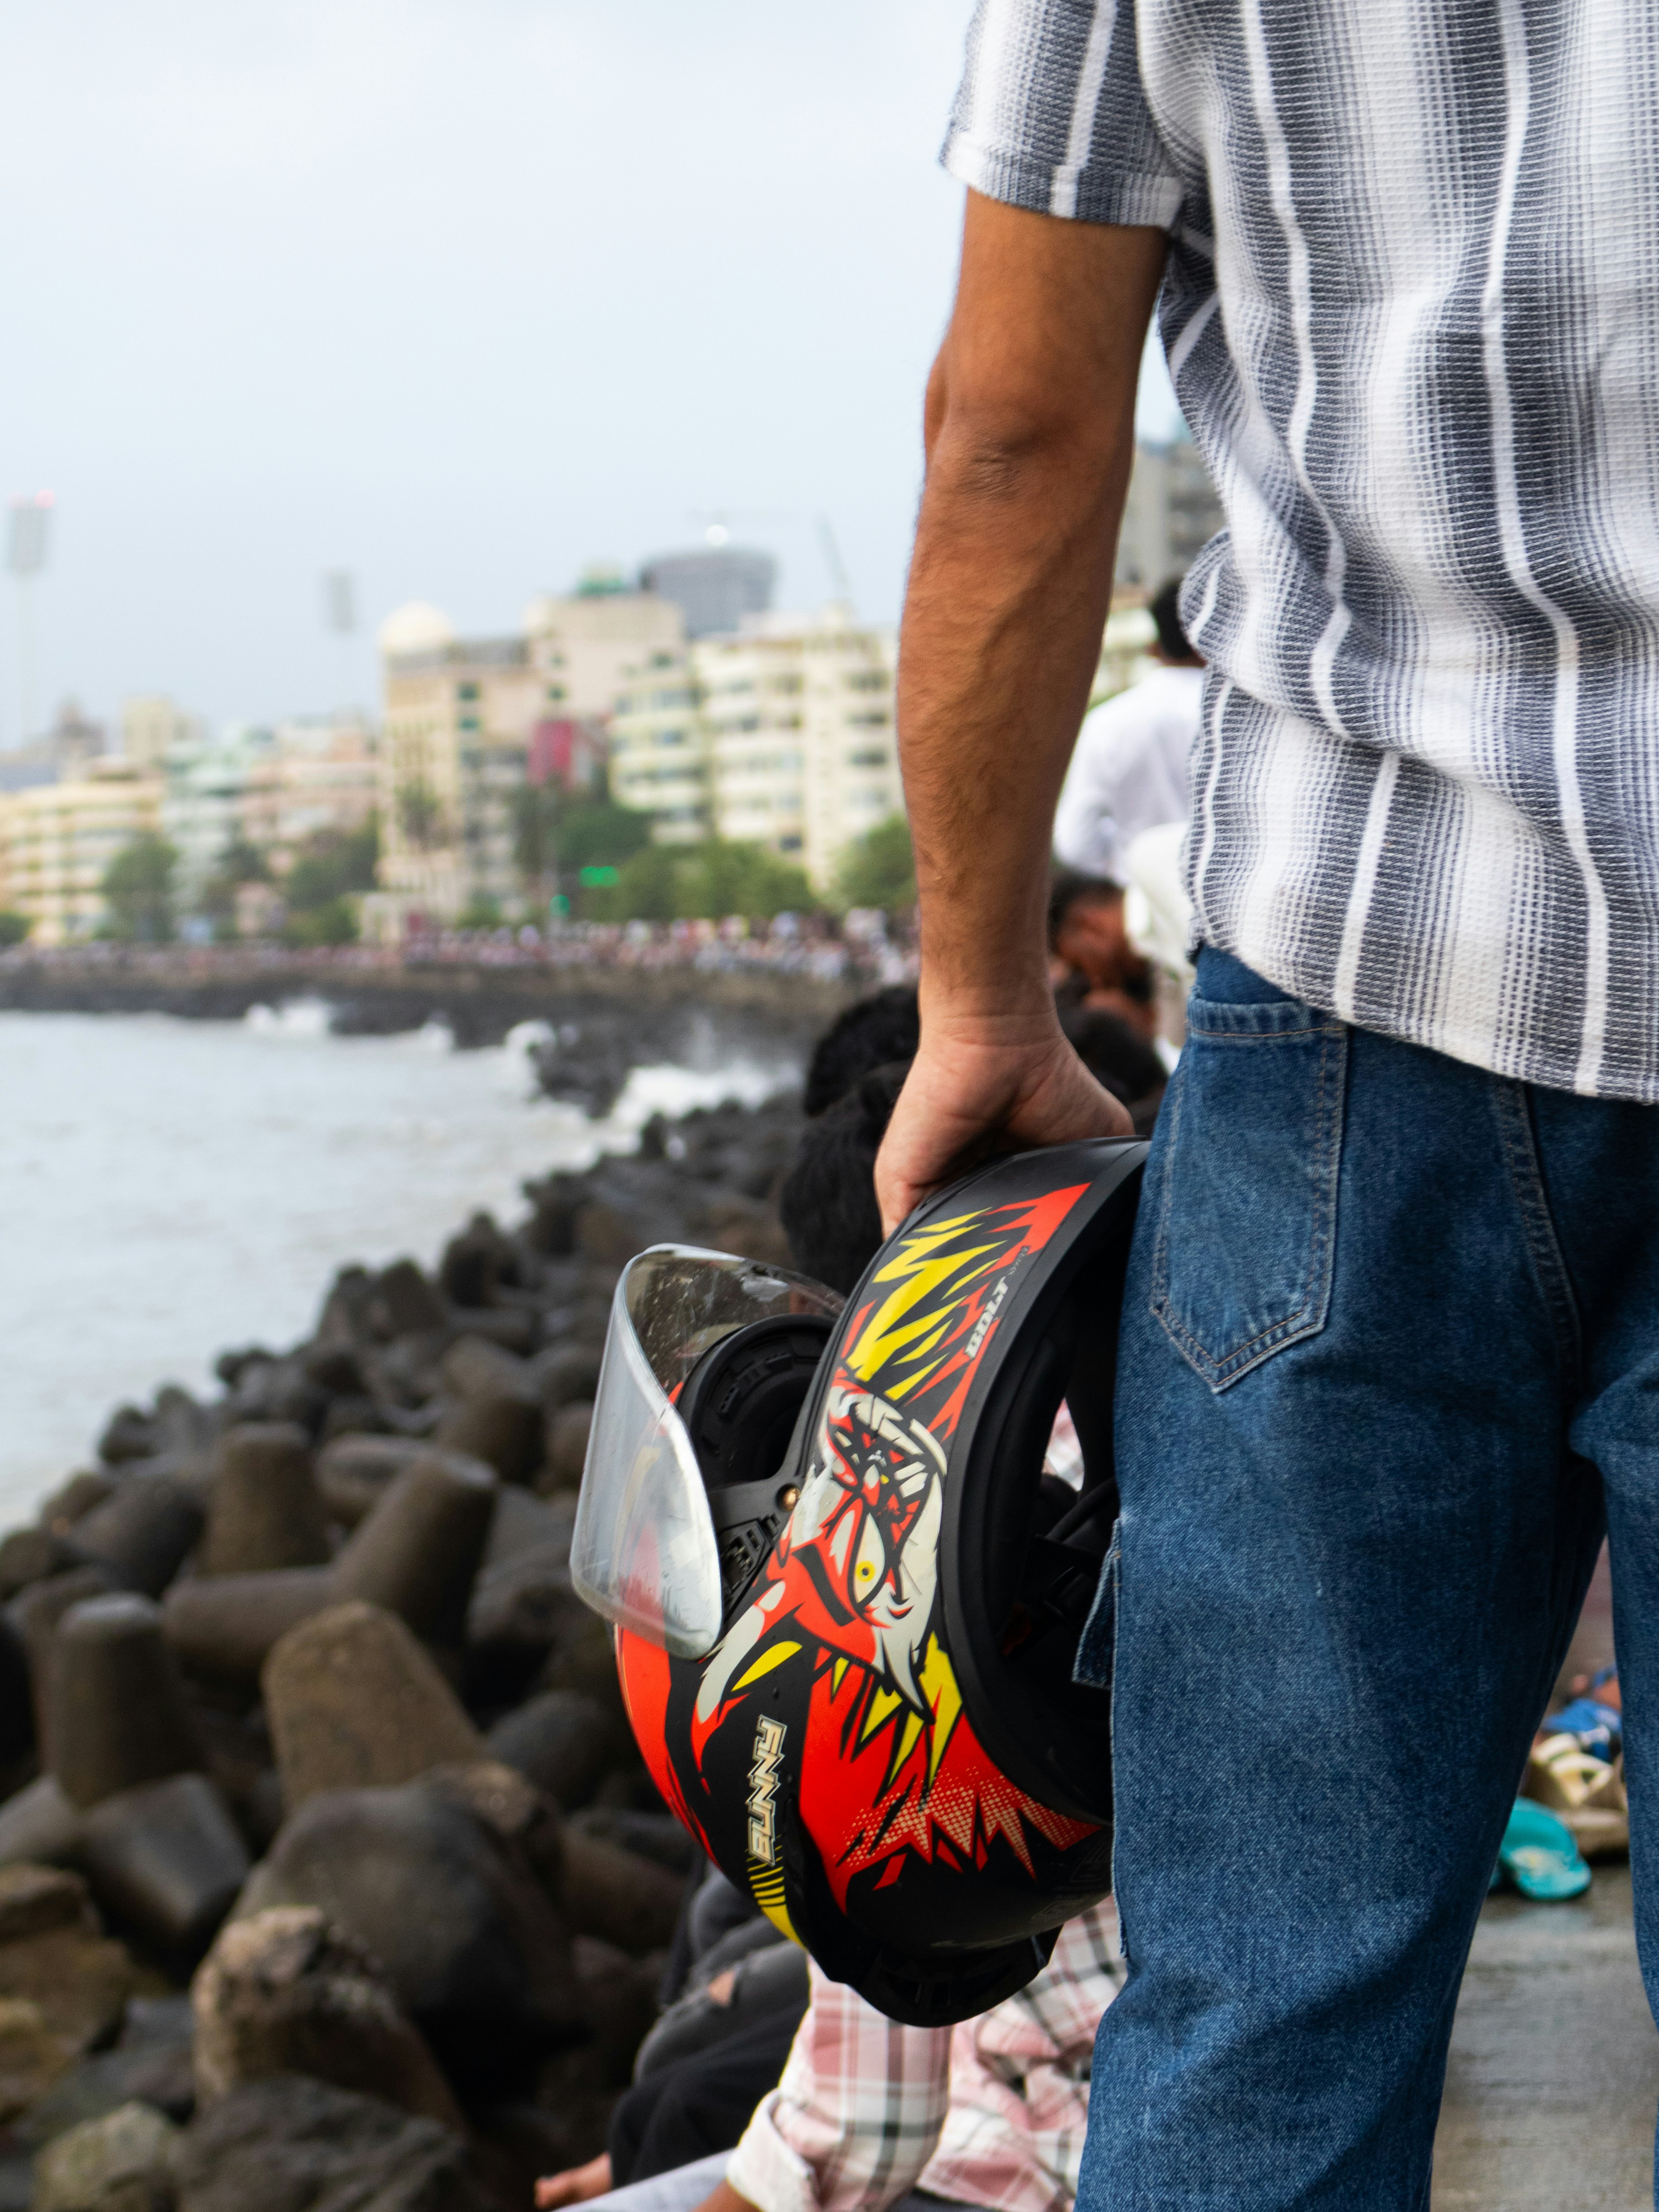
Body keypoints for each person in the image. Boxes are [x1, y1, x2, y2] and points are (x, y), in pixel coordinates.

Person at [876, 5, 1659, 2206]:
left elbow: (1015, 434)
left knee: (1266, 1995)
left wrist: (975, 992)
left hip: (1347, 996)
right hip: (1356, 1009)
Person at [1051, 575, 1202, 886]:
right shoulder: (1254, 717)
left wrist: (1124, 864)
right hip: (1242, 908)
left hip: (1146, 908)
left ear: (1154, 648)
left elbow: (1075, 841)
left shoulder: (1107, 723)